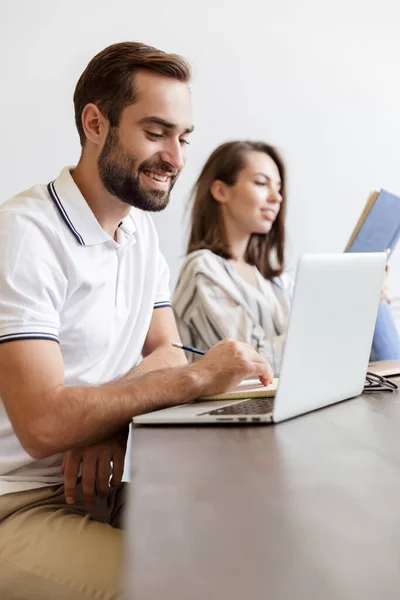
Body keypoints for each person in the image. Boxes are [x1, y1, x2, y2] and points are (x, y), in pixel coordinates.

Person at [0, 45, 273, 599]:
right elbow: (44, 426)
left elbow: (168, 350)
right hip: (18, 503)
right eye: (156, 132)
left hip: (102, 485)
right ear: (95, 123)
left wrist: (103, 421)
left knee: (258, 541)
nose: (175, 157)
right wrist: (197, 378)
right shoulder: (25, 235)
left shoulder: (138, 233)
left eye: (184, 136)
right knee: (183, 585)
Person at [173, 140, 400, 373]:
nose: (276, 197)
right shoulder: (203, 268)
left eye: (278, 188)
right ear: (220, 191)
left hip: (290, 394)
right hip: (241, 400)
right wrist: (339, 311)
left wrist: (360, 303)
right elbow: (250, 363)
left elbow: (319, 348)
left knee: (372, 300)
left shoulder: (277, 282)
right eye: (261, 183)